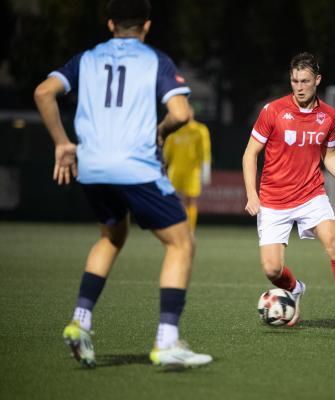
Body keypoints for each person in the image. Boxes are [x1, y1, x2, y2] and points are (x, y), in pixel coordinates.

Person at [33, 0, 212, 368]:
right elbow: (181, 114)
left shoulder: (86, 59)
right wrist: (161, 131)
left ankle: (80, 322)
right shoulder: (155, 60)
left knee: (111, 237)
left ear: (111, 23)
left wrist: (62, 144)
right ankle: (167, 340)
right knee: (181, 243)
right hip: (135, 167)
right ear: (146, 25)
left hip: (93, 167)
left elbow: (42, 92)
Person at [242, 52, 335, 335]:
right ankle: (295, 289)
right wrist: (252, 194)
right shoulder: (272, 111)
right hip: (273, 200)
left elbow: (330, 154)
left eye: (305, 81)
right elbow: (250, 154)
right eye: (295, 80)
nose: (299, 87)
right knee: (272, 270)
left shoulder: (330, 116)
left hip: (311, 195)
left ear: (317, 81)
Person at [162, 102, 212, 233]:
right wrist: (162, 169)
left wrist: (206, 171)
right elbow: (167, 153)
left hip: (192, 172)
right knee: (176, 201)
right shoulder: (174, 131)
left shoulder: (200, 130)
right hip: (175, 172)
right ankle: (177, 227)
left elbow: (205, 151)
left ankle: (190, 230)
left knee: (191, 201)